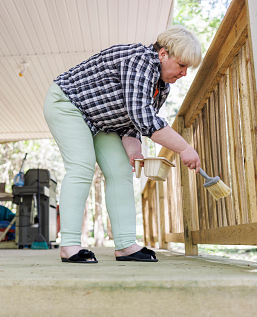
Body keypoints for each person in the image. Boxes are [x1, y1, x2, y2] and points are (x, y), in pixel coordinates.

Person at [43, 25, 202, 263]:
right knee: (82, 166)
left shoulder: (162, 87)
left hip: (101, 122)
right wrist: (184, 148)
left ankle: (126, 245)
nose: (184, 74)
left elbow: (132, 124)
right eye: (181, 65)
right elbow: (144, 118)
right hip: (68, 103)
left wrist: (134, 150)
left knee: (121, 172)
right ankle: (69, 245)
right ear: (163, 54)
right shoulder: (139, 61)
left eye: (187, 68)